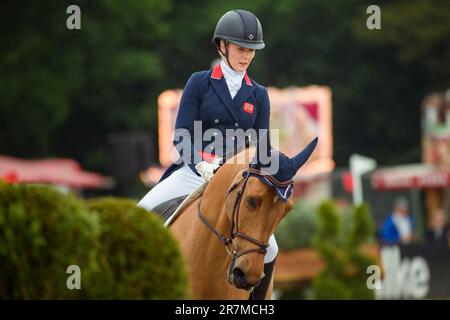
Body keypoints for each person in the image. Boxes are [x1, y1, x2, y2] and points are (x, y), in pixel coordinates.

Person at [138, 9, 276, 299]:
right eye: (241, 48)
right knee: (139, 216)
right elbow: (181, 133)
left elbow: (261, 147)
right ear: (222, 46)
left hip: (236, 182)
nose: (247, 55)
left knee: (271, 248)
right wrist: (201, 164)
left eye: (252, 50)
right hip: (195, 172)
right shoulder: (199, 82)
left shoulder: (259, 94)